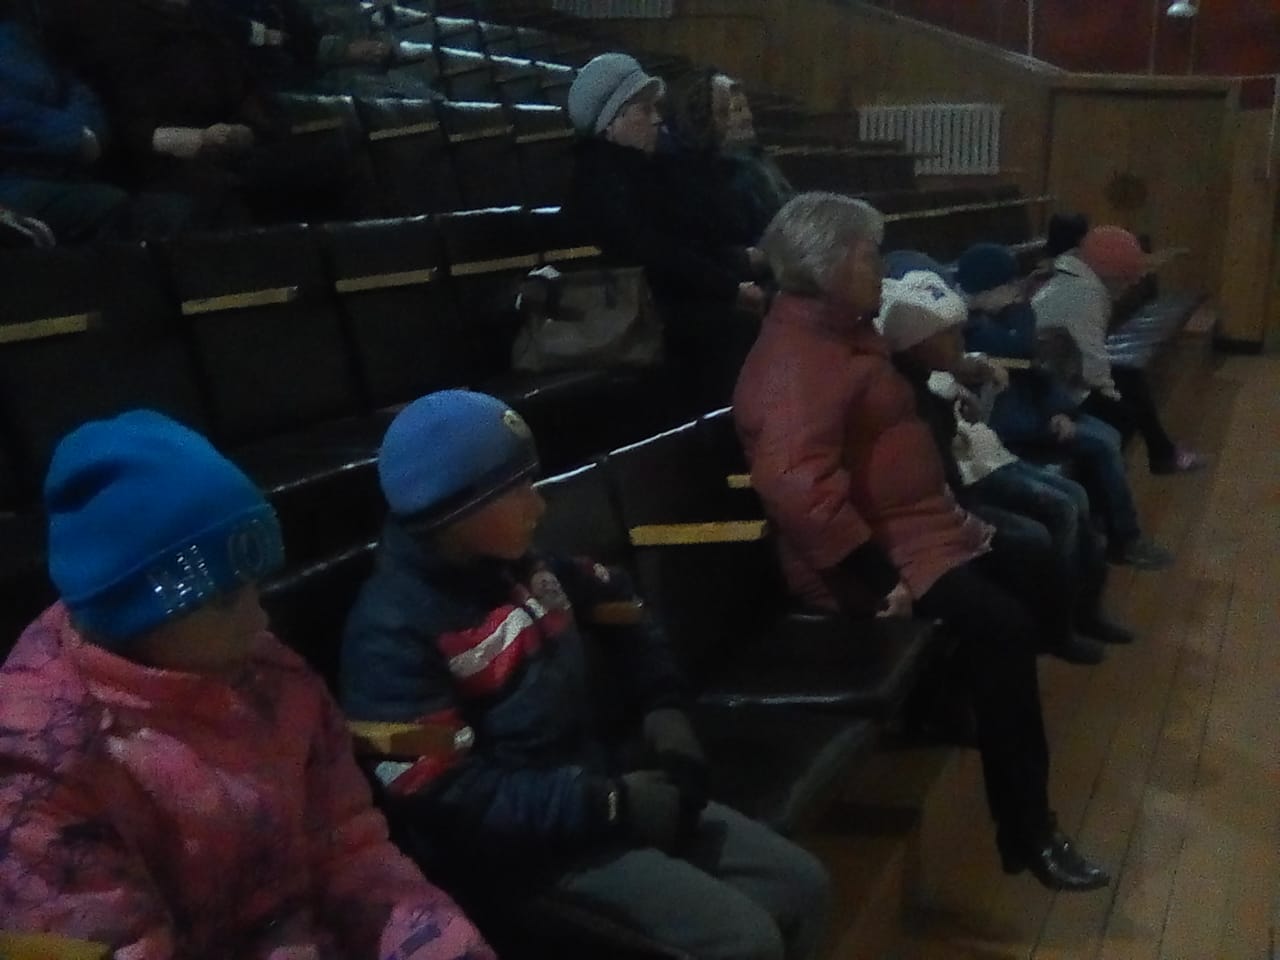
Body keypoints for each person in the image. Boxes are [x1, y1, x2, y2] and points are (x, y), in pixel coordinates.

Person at [342, 390, 830, 960]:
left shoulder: (522, 565)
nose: (538, 505)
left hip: (597, 793)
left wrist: (662, 706)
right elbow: (443, 796)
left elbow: (620, 608)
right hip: (519, 858)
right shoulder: (390, 635)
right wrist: (610, 804)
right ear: (455, 513)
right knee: (744, 941)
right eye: (517, 490)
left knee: (803, 887)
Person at [0, 410, 493, 959]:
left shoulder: (266, 674)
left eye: (254, 587)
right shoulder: (40, 764)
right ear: (134, 615)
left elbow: (349, 850)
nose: (259, 620)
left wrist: (442, 945)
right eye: (224, 601)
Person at [733, 192, 1109, 892]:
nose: (881, 269)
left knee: (1031, 562)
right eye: (868, 255)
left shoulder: (843, 330)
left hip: (922, 527)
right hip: (870, 558)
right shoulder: (795, 357)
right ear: (824, 264)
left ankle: (951, 710)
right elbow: (796, 487)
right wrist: (879, 579)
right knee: (1003, 626)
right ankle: (1028, 831)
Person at [876, 270, 1131, 659]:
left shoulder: (935, 370)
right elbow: (939, 473)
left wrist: (969, 375)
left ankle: (1084, 613)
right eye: (949, 333)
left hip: (985, 458)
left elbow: (977, 364)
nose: (960, 340)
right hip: (968, 480)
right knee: (1058, 512)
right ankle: (1059, 630)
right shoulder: (907, 387)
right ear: (917, 343)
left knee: (1075, 496)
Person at [564, 53, 767, 410]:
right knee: (735, 326)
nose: (657, 119)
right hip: (633, 310)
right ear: (611, 123)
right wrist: (730, 287)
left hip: (662, 297)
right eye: (644, 110)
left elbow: (689, 241)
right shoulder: (600, 181)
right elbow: (654, 254)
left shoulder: (644, 169)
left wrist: (734, 267)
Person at [956, 242, 1174, 569]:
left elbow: (1037, 371)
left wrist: (1058, 410)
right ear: (982, 290)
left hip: (1033, 411)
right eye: (1007, 285)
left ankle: (1111, 525)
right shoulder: (970, 327)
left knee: (1109, 433)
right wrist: (1016, 310)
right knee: (1102, 442)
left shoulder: (1004, 316)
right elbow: (1019, 350)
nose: (1016, 291)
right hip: (1007, 425)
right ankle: (1125, 539)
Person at [1032, 225, 1204, 475]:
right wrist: (1110, 396)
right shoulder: (1086, 294)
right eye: (1126, 278)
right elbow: (1091, 357)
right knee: (1122, 413)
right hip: (1049, 387)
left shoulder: (1078, 281)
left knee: (1130, 377)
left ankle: (1161, 455)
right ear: (1111, 273)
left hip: (1057, 374)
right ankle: (1104, 479)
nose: (1130, 285)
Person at [666, 68, 793, 242]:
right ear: (704, 119)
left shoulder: (755, 158)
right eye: (735, 110)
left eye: (746, 108)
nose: (747, 117)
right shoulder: (701, 180)